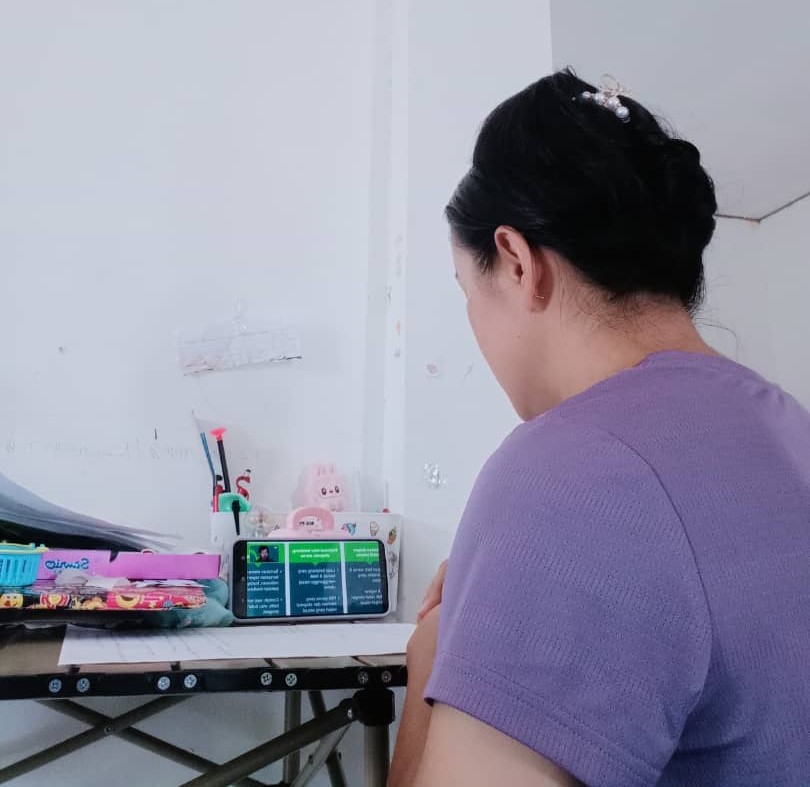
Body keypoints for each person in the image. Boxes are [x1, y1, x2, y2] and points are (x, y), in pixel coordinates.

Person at [389, 69, 810, 787]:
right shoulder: (789, 424)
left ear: (517, 263)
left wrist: (433, 651)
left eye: (467, 291)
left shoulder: (570, 467)